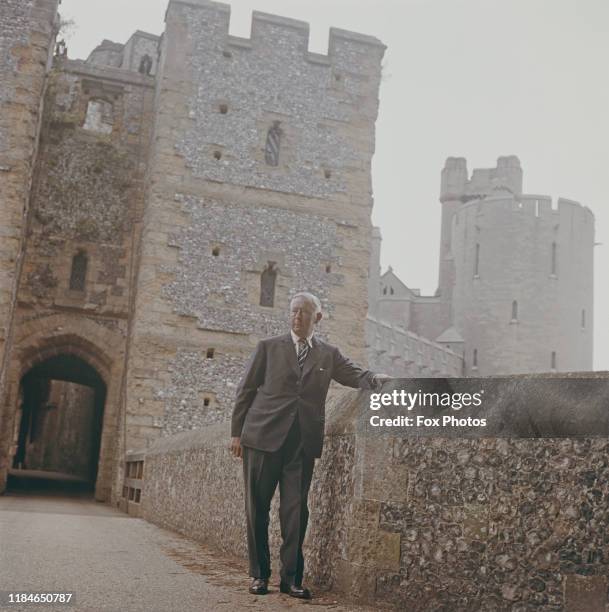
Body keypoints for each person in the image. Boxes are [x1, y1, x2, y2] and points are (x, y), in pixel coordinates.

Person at [230, 291, 389, 599]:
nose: (297, 316)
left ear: (318, 317)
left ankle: (291, 579)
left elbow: (354, 374)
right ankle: (259, 575)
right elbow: (245, 391)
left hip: (301, 443)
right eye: (293, 311)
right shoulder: (268, 348)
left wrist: (376, 379)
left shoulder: (328, 354)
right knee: (257, 508)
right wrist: (236, 434)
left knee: (295, 512)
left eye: (304, 312)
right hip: (261, 439)